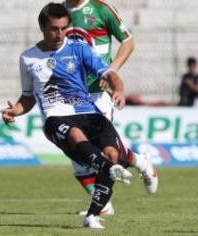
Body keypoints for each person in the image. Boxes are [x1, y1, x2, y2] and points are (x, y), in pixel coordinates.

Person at [1, 3, 142, 229]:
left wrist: (119, 89)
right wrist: (15, 111)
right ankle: (108, 168)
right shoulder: (28, 58)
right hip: (55, 117)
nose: (60, 34)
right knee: (77, 135)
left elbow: (109, 73)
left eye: (64, 28)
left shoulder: (79, 48)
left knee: (112, 154)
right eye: (54, 29)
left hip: (87, 111)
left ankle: (93, 216)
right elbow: (27, 97)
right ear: (42, 28)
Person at [64, 0, 157, 215]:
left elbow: (128, 42)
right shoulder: (59, 13)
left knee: (104, 152)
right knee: (77, 152)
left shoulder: (101, 9)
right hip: (71, 95)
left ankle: (141, 163)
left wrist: (110, 72)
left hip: (97, 95)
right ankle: (104, 204)